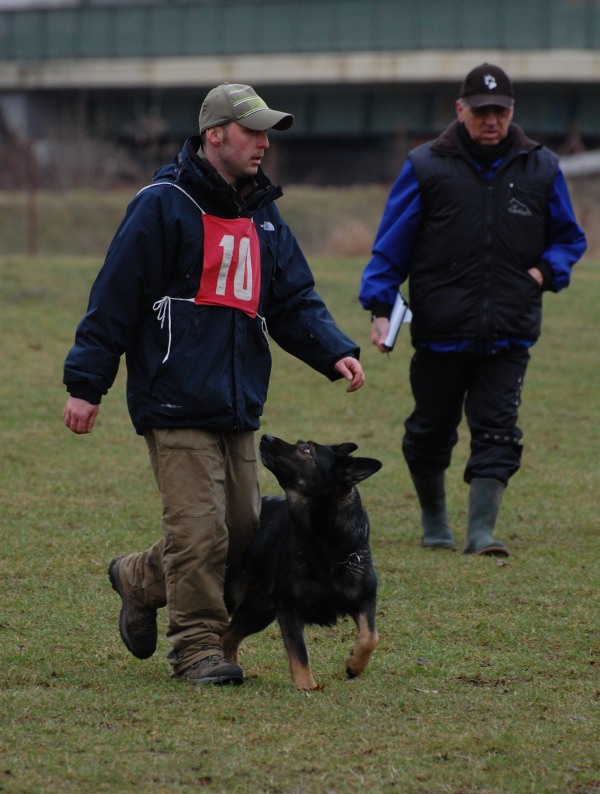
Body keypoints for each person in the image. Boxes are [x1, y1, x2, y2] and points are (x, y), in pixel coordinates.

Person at [63, 83, 365, 685]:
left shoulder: (263, 215)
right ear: (215, 136)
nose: (263, 144)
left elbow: (293, 298)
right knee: (199, 532)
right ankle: (198, 648)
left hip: (238, 402)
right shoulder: (161, 204)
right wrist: (85, 384)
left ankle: (137, 579)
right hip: (173, 398)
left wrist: (334, 351)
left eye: (267, 133)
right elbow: (113, 300)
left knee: (243, 532)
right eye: (251, 132)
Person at [359, 63, 586, 557]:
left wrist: (546, 272)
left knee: (499, 429)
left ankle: (481, 532)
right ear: (460, 110)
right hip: (441, 329)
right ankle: (434, 522)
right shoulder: (425, 166)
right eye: (481, 111)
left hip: (510, 330)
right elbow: (390, 248)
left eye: (499, 111)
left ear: (511, 113)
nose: (491, 120)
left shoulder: (541, 166)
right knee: (429, 430)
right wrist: (380, 306)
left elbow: (570, 238)